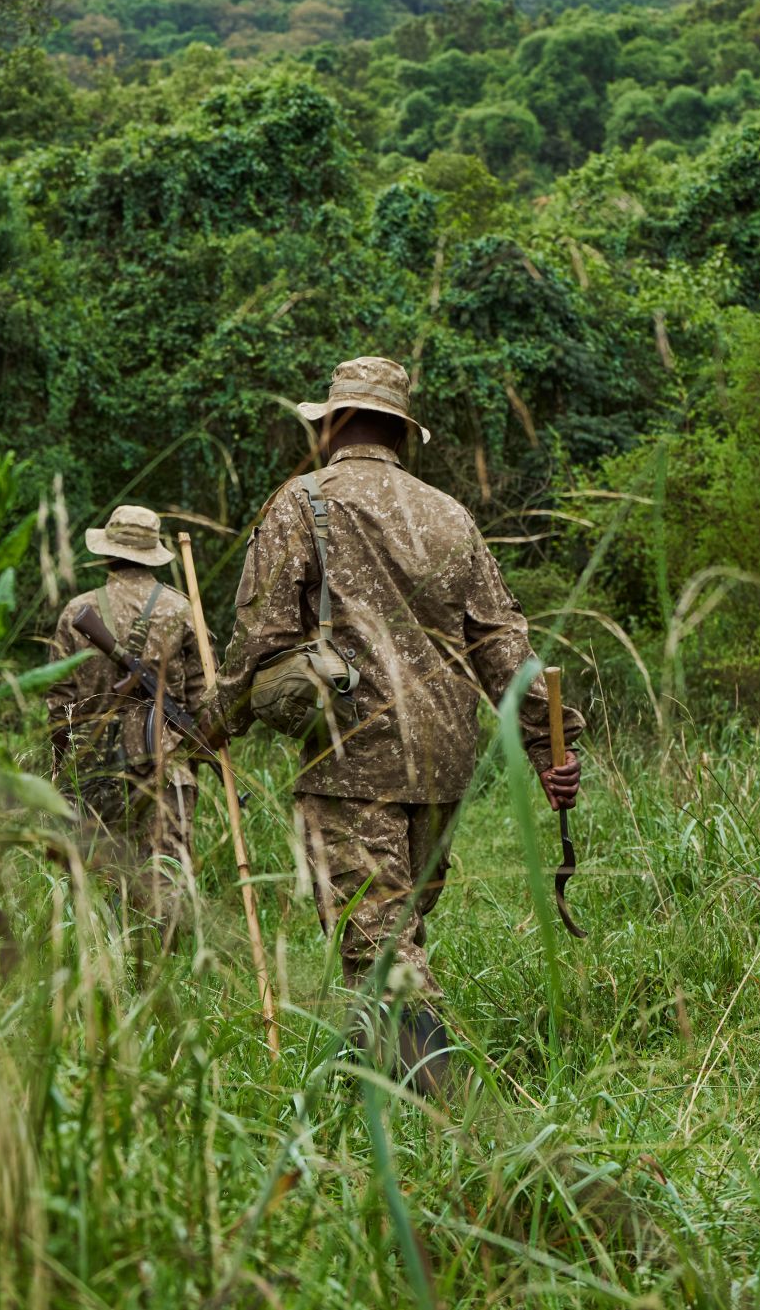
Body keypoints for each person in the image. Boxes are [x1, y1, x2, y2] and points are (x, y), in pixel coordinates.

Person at [211, 356, 584, 1090]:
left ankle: (462, 1130)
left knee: (384, 954)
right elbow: (503, 647)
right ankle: (373, 1097)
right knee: (393, 934)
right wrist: (550, 746)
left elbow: (256, 643)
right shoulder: (451, 514)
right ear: (402, 433)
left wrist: (214, 721)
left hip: (352, 765)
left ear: (333, 424)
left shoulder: (302, 502)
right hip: (444, 770)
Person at [48, 504, 210, 931]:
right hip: (166, 771)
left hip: (92, 770)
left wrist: (56, 769)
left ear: (107, 552)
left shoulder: (75, 611)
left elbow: (57, 706)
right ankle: (167, 982)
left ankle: (100, 976)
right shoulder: (181, 611)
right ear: (152, 551)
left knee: (91, 883)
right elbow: (205, 702)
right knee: (166, 882)